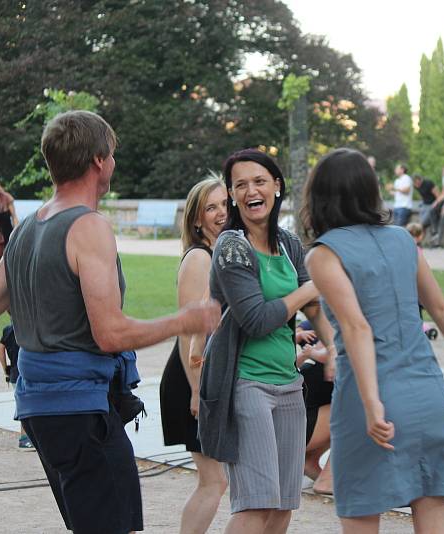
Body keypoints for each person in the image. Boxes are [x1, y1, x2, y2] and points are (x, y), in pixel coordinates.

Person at [0, 110, 219, 533]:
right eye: (111, 155)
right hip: (78, 410)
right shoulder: (88, 227)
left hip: (40, 410)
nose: (113, 163)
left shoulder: (27, 229)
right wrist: (186, 319)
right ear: (97, 160)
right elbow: (109, 333)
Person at [301, 148, 444, 533]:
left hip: (370, 396)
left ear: (319, 196)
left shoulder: (323, 254)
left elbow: (356, 328)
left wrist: (372, 404)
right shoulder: (404, 239)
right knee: (434, 510)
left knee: (360, 514)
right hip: (427, 393)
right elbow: (441, 309)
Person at [198, 148, 335, 534]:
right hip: (246, 384)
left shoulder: (289, 244)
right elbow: (256, 319)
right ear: (231, 195)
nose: (250, 191)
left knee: (282, 507)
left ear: (276, 186)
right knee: (255, 505)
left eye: (259, 181)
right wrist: (305, 292)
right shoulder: (231, 247)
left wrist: (333, 348)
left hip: (289, 385)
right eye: (239, 185)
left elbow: (315, 304)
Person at [159, 176, 229, 534]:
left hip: (209, 377)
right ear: (197, 219)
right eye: (211, 207)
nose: (221, 213)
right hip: (191, 379)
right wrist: (197, 391)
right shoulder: (200, 258)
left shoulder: (224, 252)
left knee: (216, 480)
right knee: (213, 481)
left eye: (224, 205)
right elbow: (189, 331)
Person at [294, 320, 334, 496]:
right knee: (354, 409)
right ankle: (328, 479)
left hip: (289, 430)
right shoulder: (334, 342)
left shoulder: (314, 345)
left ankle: (310, 462)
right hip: (299, 432)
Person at [0, 323, 33, 449]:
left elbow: (0, 347)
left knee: (23, 404)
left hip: (13, 371)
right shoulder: (29, 327)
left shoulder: (8, 329)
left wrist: (5, 367)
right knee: (27, 406)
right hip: (27, 371)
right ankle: (25, 438)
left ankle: (29, 436)